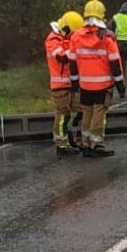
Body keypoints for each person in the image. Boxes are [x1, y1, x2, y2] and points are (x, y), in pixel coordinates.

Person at [69, 0, 126, 157]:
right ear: (102, 16)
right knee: (98, 115)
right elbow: (115, 63)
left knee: (86, 112)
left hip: (84, 84)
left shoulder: (76, 37)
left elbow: (72, 62)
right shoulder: (107, 38)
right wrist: (120, 84)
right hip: (103, 85)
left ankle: (86, 143)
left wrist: (74, 83)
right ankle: (97, 144)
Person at [45, 11, 84, 156]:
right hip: (60, 86)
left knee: (80, 110)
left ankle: (72, 138)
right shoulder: (53, 39)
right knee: (62, 115)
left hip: (73, 83)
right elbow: (61, 56)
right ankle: (61, 144)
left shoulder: (68, 38)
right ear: (66, 29)